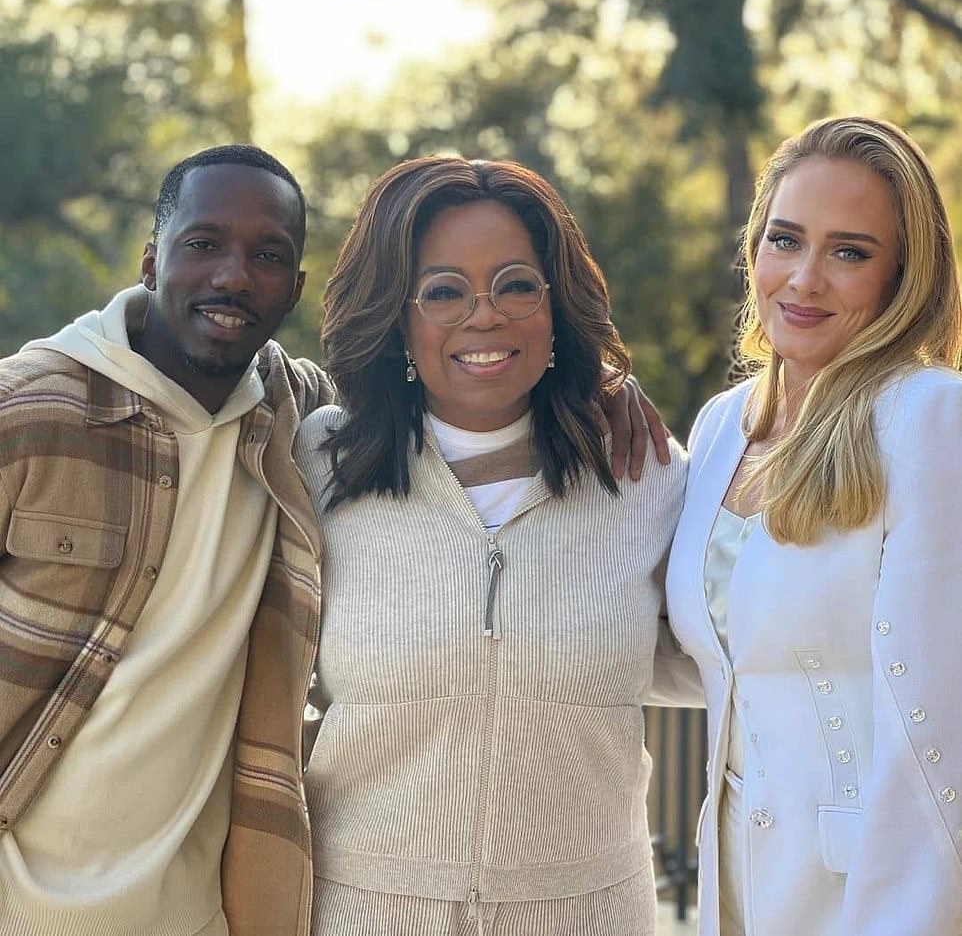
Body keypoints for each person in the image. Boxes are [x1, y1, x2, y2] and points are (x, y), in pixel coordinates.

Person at [0, 145, 658, 936]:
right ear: (151, 260)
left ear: (295, 287)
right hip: (27, 895)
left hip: (208, 904)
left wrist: (598, 383)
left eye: (268, 255)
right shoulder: (32, 412)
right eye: (202, 244)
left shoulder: (294, 424)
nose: (233, 277)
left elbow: (459, 381)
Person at [294, 155, 698, 936]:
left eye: (516, 284)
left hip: (590, 913)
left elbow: (733, 652)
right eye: (444, 291)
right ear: (397, 316)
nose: (484, 317)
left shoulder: (645, 472)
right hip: (361, 910)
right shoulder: (320, 462)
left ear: (556, 306)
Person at [665, 116, 962, 936]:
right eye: (785, 239)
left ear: (903, 275)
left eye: (849, 252)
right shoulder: (725, 424)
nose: (803, 279)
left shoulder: (927, 416)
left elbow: (938, 719)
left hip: (868, 892)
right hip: (735, 881)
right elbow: (713, 654)